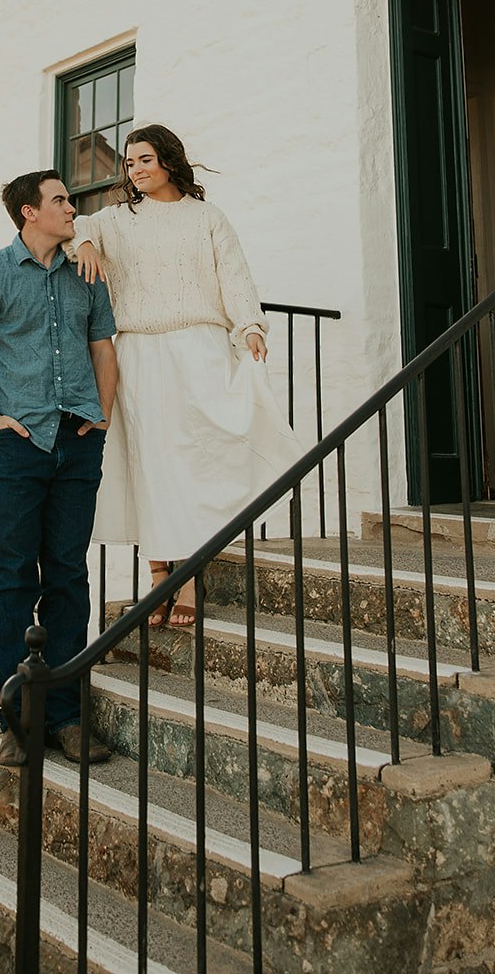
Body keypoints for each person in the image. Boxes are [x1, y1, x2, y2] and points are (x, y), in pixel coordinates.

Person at [71, 125, 301, 627]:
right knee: (148, 461)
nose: (136, 170)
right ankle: (158, 576)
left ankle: (191, 576)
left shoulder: (207, 217)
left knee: (197, 461)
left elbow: (234, 275)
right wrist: (87, 242)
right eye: (130, 163)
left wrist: (249, 327)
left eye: (146, 160)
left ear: (169, 161)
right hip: (138, 354)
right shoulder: (116, 220)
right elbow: (78, 225)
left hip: (199, 347)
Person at [0, 169, 117, 768]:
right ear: (29, 212)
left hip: (77, 443)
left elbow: (103, 349)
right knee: (13, 577)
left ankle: (68, 719)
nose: (73, 208)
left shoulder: (86, 274)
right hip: (16, 448)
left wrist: (103, 416)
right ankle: (17, 721)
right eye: (61, 200)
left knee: (68, 577)